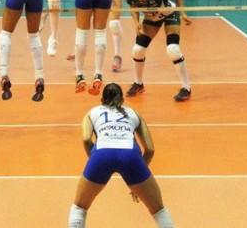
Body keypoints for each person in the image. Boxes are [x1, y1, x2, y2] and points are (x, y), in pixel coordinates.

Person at [68, 83, 175, 228]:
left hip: (101, 154)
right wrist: (138, 178)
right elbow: (150, 149)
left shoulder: (92, 112)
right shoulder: (133, 113)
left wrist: (95, 162)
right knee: (158, 210)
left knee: (79, 208)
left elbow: (87, 139)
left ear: (102, 99)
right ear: (122, 100)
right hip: (130, 156)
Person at [125, 0, 193, 102]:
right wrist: (136, 22)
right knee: (137, 51)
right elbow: (133, 7)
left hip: (170, 14)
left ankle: (186, 88)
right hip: (151, 19)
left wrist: (183, 13)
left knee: (172, 50)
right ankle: (138, 84)